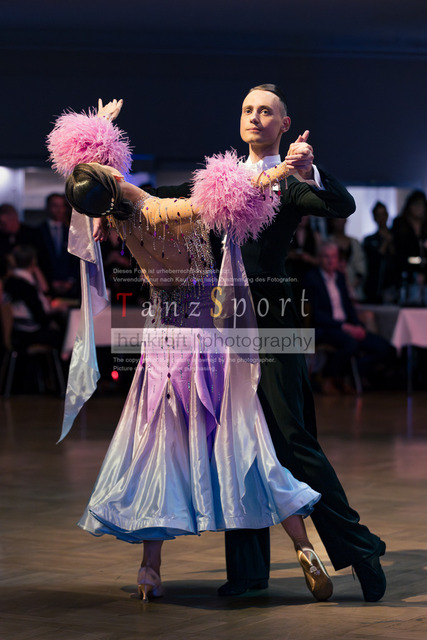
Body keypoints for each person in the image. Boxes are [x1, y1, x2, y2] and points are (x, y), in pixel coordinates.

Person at [52, 100, 334, 602]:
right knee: (247, 445)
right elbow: (223, 197)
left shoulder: (113, 218)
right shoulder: (154, 210)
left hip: (161, 348)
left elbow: (86, 174)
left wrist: (103, 126)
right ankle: (303, 545)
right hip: (208, 345)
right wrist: (279, 173)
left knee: (159, 453)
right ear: (112, 174)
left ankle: (150, 570)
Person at [304, 241, 396, 391]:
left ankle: (352, 375)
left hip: (347, 325)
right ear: (319, 258)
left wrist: (357, 326)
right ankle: (328, 376)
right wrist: (345, 327)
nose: (330, 260)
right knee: (350, 344)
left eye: (333, 256)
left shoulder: (340, 278)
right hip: (326, 327)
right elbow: (316, 314)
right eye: (326, 256)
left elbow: (348, 307)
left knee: (385, 348)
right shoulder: (311, 278)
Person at [363, 201, 397, 303]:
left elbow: (399, 259)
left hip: (394, 285)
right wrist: (385, 244)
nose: (381, 218)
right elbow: (370, 262)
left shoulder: (396, 237)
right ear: (374, 218)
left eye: (383, 214)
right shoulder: (369, 240)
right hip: (374, 286)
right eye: (378, 215)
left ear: (387, 215)